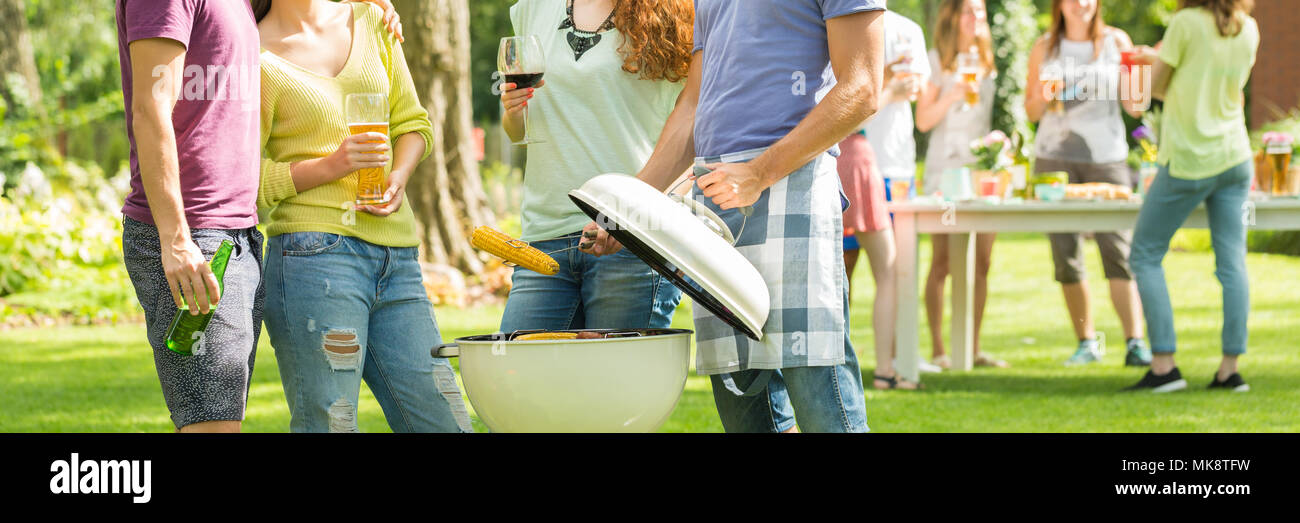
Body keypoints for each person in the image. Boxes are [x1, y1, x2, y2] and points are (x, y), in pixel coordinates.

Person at [583, 0, 885, 432]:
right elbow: (692, 108)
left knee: (816, 385)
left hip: (793, 182)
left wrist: (760, 173)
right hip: (717, 190)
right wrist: (625, 210)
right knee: (741, 397)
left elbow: (862, 88)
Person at [254, 0, 470, 432]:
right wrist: (331, 165)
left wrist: (399, 176)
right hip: (312, 258)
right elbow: (247, 182)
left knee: (444, 422)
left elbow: (413, 122)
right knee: (332, 425)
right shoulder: (253, 53)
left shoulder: (373, 20)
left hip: (397, 259)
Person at [496, 0, 690, 335]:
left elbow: (692, 136)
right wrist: (513, 113)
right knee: (519, 376)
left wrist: (630, 210)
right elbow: (521, 131)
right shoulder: (533, 7)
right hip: (546, 234)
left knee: (616, 384)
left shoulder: (674, 13)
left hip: (632, 237)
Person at [115, 0, 265, 433]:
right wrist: (177, 240)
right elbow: (150, 108)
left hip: (238, 233)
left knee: (220, 420)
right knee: (211, 427)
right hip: (195, 236)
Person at [1125, 0, 1258, 392]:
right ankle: (1229, 371)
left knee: (1145, 252)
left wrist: (1150, 60)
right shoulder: (1248, 28)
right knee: (1232, 263)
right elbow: (1223, 90)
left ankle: (1164, 367)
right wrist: (1165, 58)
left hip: (1188, 160)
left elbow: (1153, 91)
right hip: (1235, 159)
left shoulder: (1185, 24)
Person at [1025, 0, 1152, 367]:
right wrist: (1045, 98)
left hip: (1107, 159)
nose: (1081, 4)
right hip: (1053, 159)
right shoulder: (1044, 46)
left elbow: (1135, 107)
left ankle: (1135, 342)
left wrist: (1141, 71)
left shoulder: (1117, 42)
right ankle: (1086, 342)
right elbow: (1031, 110)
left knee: (1119, 253)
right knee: (1066, 257)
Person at [914, 0, 1006, 369]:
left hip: (980, 175)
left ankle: (972, 347)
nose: (976, 19)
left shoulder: (987, 64)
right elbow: (923, 120)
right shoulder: (935, 62)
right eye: (969, 11)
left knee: (982, 261)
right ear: (953, 17)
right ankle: (939, 348)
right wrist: (951, 93)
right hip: (945, 177)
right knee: (943, 263)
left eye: (980, 13)